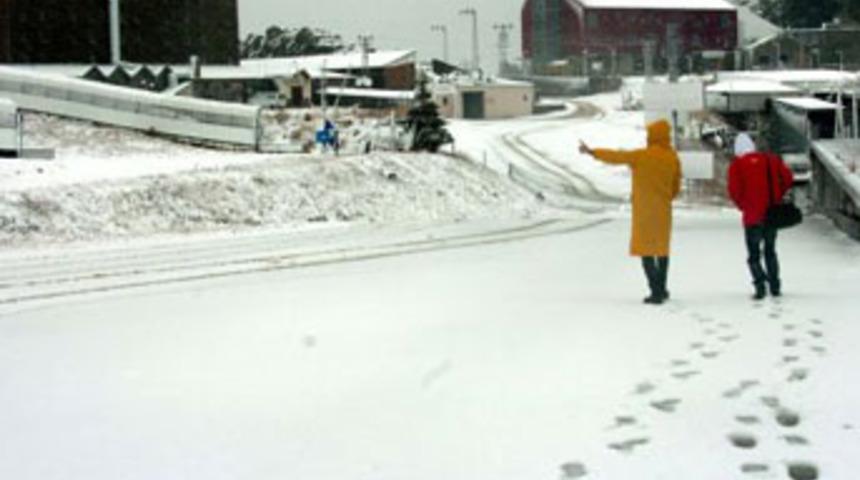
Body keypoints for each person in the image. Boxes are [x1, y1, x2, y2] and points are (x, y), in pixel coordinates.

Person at [579, 119, 682, 304]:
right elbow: (676, 186)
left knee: (646, 250)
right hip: (663, 211)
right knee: (662, 250)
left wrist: (592, 152)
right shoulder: (672, 157)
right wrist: (665, 198)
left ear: (652, 136)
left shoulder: (641, 156)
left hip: (643, 211)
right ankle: (662, 288)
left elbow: (616, 157)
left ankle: (655, 291)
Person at [727, 133, 794, 300]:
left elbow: (734, 191)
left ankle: (759, 286)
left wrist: (744, 206)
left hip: (752, 218)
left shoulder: (737, 166)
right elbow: (788, 178)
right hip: (771, 214)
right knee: (770, 251)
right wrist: (778, 195)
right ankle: (775, 286)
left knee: (754, 255)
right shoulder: (771, 160)